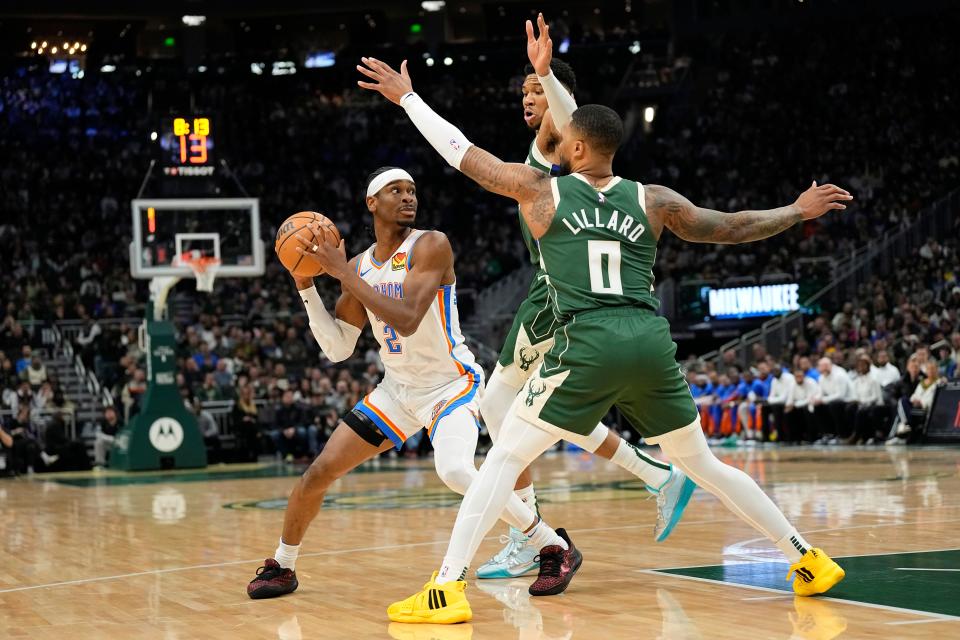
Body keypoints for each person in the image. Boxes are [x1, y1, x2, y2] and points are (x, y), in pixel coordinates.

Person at [357, 15, 851, 622]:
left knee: (505, 458)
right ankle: (806, 557)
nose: (555, 138)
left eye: (565, 136)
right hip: (649, 341)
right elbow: (732, 227)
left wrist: (408, 98)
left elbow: (462, 153)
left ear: (578, 147)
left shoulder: (541, 190)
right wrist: (796, 211)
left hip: (586, 340)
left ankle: (445, 590)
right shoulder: (654, 198)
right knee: (704, 463)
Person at [247, 166, 551, 600]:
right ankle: (283, 565)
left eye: (412, 190)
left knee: (455, 470)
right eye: (396, 190)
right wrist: (305, 285)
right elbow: (337, 349)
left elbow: (407, 319)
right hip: (397, 392)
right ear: (372, 202)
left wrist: (343, 274)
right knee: (317, 473)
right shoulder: (358, 266)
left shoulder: (431, 244)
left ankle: (549, 544)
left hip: (452, 385)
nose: (408, 197)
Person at [475, 44, 694, 580]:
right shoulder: (542, 146)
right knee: (504, 409)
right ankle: (647, 471)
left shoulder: (561, 140)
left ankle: (529, 535)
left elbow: (563, 106)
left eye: (535, 92)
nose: (527, 99)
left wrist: (547, 76)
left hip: (563, 293)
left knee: (504, 409)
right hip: (544, 291)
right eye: (522, 91)